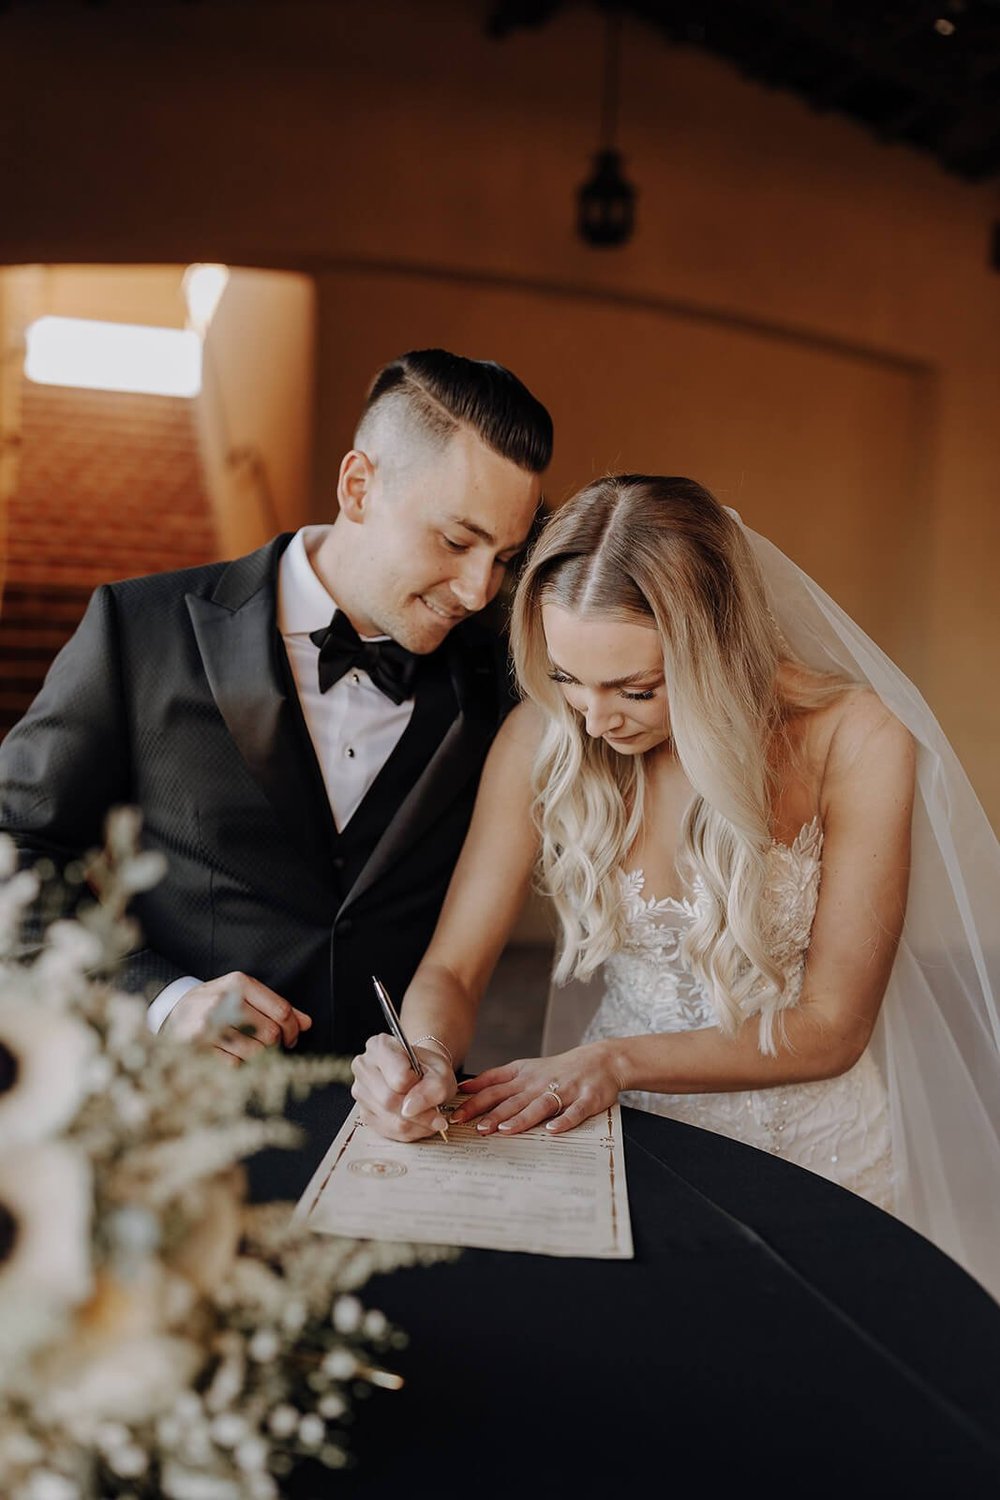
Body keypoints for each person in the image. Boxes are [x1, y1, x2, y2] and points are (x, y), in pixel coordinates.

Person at [351, 473, 1000, 1302]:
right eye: (567, 678)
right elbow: (453, 969)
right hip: (634, 1141)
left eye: (635, 689)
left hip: (820, 1151)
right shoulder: (539, 739)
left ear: (716, 648)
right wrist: (424, 1057)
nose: (593, 719)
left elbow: (832, 1027)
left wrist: (617, 1061)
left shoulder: (855, 738)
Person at [0, 348, 551, 1061]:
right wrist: (160, 1002)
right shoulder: (141, 631)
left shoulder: (500, 680)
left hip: (395, 1127)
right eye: (456, 541)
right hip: (176, 1119)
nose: (479, 590)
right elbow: (15, 854)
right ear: (358, 487)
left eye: (504, 558)